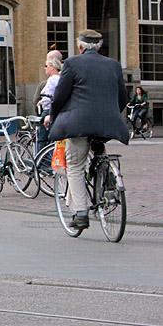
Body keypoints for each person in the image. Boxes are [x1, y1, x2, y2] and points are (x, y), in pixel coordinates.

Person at [46, 29, 128, 231]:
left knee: (74, 165)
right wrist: (111, 114)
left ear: (80, 47)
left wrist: (53, 117)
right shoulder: (114, 65)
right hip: (108, 122)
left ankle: (81, 213)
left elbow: (61, 96)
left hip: (80, 124)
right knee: (98, 145)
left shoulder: (73, 63)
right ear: (99, 47)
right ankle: (108, 180)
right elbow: (123, 98)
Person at [36, 54, 63, 151]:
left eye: (46, 66)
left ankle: (41, 163)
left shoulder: (52, 80)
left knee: (42, 139)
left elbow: (48, 96)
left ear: (52, 67)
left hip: (48, 111)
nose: (45, 69)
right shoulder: (60, 79)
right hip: (57, 111)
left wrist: (41, 102)